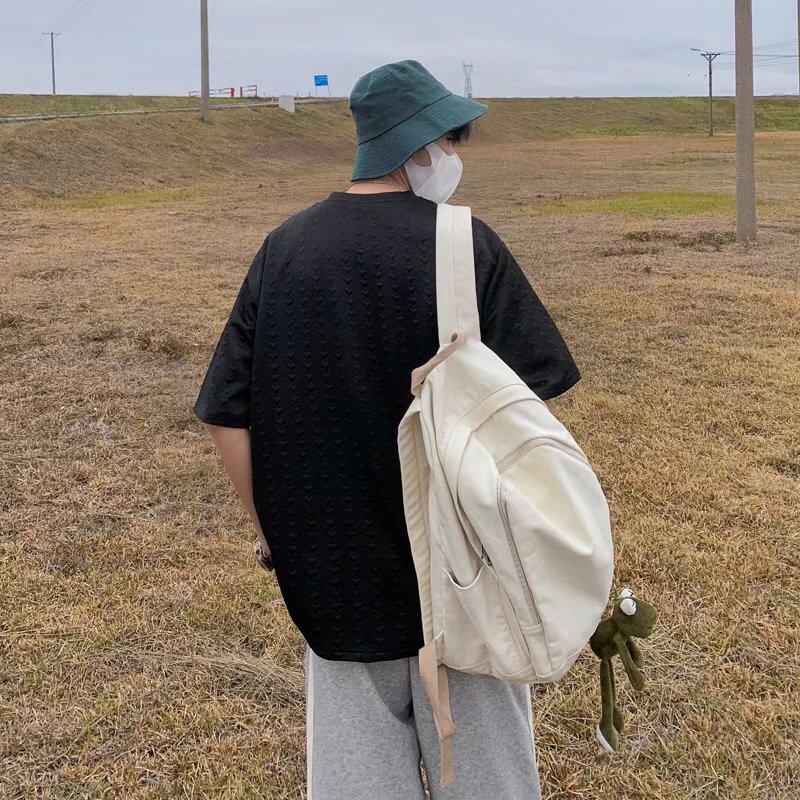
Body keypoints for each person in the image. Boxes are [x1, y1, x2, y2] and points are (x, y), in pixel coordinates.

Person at [194, 60, 580, 800]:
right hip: (469, 575)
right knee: (491, 781)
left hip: (333, 580)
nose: (453, 156)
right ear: (419, 145)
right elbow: (531, 404)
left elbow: (224, 411)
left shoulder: (284, 249)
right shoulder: (466, 244)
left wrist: (273, 533)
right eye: (449, 140)